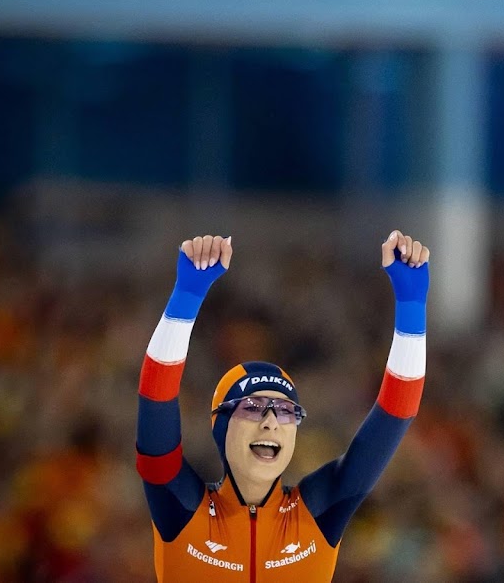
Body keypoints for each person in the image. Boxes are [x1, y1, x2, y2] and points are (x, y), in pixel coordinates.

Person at [135, 231, 429, 582]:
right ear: (220, 424)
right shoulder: (180, 507)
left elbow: (396, 414)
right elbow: (155, 397)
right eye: (254, 407)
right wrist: (186, 296)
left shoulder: (319, 510)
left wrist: (412, 305)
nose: (272, 421)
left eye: (286, 411)